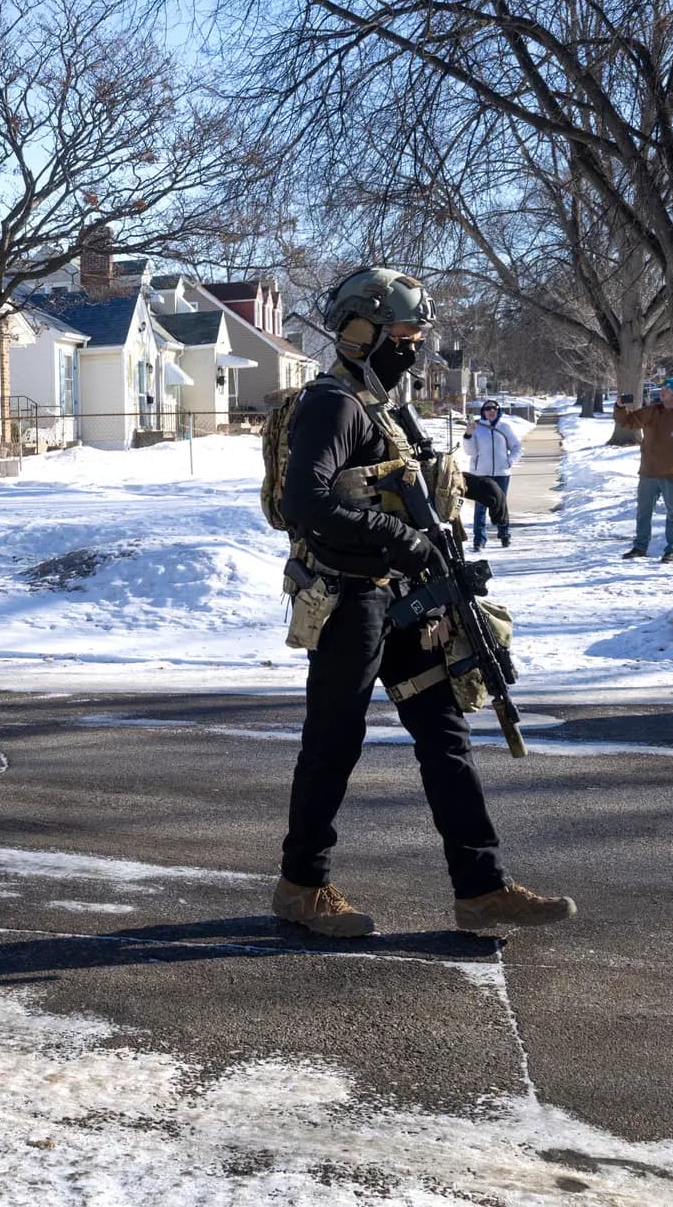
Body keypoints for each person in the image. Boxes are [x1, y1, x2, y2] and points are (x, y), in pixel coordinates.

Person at [273, 266, 576, 937]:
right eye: (404, 335)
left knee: (445, 735)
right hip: (350, 600)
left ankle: (482, 888)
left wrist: (472, 487)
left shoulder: (381, 401)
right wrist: (395, 538)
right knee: (333, 742)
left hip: (407, 600)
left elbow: (403, 473)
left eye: (417, 336)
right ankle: (301, 884)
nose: (414, 348)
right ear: (361, 332)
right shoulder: (334, 403)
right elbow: (307, 501)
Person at [615, 375, 673, 563]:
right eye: (663, 387)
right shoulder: (652, 411)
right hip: (648, 471)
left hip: (672, 473)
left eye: (666, 388)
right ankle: (640, 547)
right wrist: (619, 407)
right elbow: (628, 421)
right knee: (643, 512)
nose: (662, 390)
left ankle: (671, 550)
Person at [461, 399, 522, 549]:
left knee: (500, 505)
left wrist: (509, 461)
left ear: (498, 410)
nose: (491, 411)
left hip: (501, 473)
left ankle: (504, 535)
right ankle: (479, 541)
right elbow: (470, 452)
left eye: (494, 408)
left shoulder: (505, 427)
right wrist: (468, 435)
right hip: (480, 474)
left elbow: (517, 447)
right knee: (480, 507)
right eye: (488, 409)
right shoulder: (476, 428)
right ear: (483, 412)